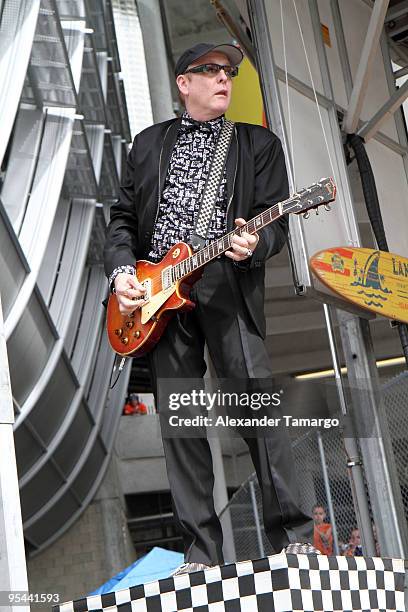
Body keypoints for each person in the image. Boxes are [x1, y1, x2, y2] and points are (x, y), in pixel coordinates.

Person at [104, 42, 316, 574]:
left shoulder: (256, 144)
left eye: (230, 72)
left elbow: (276, 222)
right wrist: (124, 272)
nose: (224, 79)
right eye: (211, 71)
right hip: (159, 296)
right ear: (184, 83)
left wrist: (254, 245)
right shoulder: (148, 145)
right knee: (180, 425)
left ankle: (292, 538)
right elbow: (123, 216)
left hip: (225, 280)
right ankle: (200, 555)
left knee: (256, 404)